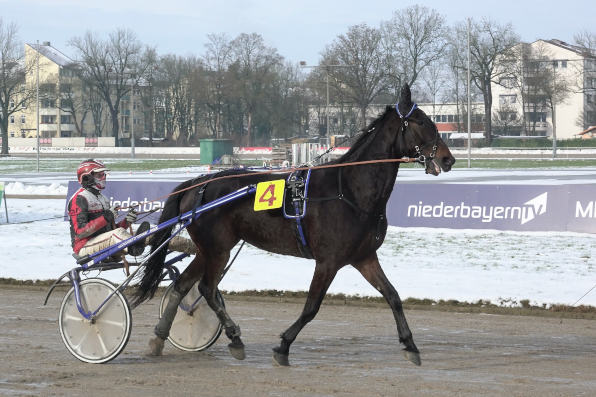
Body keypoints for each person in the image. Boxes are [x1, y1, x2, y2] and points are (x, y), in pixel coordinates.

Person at [68, 159, 149, 257]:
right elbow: (80, 232)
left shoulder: (104, 198)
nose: (104, 177)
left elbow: (111, 230)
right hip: (84, 246)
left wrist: (126, 222)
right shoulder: (80, 198)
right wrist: (107, 217)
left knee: (149, 233)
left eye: (104, 174)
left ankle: (140, 244)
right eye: (99, 175)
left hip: (103, 243)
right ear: (87, 177)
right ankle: (134, 247)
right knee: (118, 234)